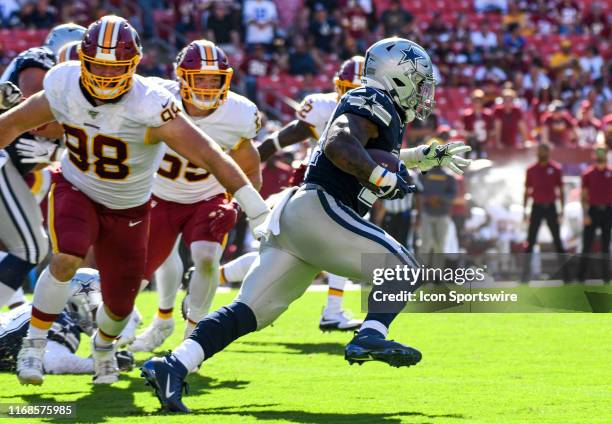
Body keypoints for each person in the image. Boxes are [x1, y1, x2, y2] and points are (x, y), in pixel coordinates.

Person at [140, 37, 471, 413]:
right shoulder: (372, 99)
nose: (424, 92)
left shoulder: (380, 111)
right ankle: (371, 335)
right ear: (397, 76)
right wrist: (382, 177)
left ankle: (173, 365)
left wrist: (420, 158)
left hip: (300, 220)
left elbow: (366, 150)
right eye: (420, 81)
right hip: (320, 209)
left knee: (250, 312)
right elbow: (340, 143)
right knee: (403, 268)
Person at [3, 15, 269, 387]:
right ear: (82, 59)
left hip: (131, 205)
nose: (106, 75)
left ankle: (104, 346)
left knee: (120, 305)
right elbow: (13, 123)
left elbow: (210, 155)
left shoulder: (150, 103)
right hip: (77, 186)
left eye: (116, 67)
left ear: (134, 65)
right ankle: (34, 343)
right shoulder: (63, 83)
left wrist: (256, 209)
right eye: (97, 65)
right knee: (66, 256)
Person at [129, 40, 263, 352]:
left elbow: (249, 163)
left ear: (225, 80)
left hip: (208, 194)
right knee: (142, 267)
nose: (206, 85)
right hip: (158, 194)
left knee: (206, 257)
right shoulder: (157, 97)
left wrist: (243, 204)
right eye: (199, 77)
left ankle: (193, 338)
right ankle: (149, 324)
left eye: (214, 79)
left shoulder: (239, 113)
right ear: (181, 77)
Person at [229, 56, 366, 331]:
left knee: (292, 257)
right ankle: (333, 311)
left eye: (358, 90)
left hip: (346, 186)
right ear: (338, 87)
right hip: (316, 184)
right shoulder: (323, 107)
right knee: (328, 247)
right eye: (347, 89)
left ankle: (333, 311)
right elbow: (278, 140)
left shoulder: (380, 116)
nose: (351, 96)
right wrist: (247, 171)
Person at [0, 23, 85, 309]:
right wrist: (58, 142)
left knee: (24, 245)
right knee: (30, 246)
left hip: (14, 167)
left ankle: (16, 314)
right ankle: (17, 314)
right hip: (4, 161)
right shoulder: (40, 61)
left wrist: (55, 148)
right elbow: (34, 112)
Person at [0, 268, 134, 374]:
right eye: (96, 310)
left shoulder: (45, 308)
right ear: (79, 303)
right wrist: (104, 364)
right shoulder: (62, 320)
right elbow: (56, 362)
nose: (100, 316)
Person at [521, 143, 567, 282]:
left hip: (551, 207)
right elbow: (527, 191)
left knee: (557, 240)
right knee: (531, 240)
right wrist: (525, 210)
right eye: (539, 151)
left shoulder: (555, 168)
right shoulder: (531, 169)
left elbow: (561, 190)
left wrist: (561, 210)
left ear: (548, 152)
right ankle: (525, 276)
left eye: (544, 151)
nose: (541, 153)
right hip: (536, 207)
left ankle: (566, 276)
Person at [577, 145, 611, 283]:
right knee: (587, 245)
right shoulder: (588, 174)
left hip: (608, 211)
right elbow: (584, 196)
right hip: (593, 211)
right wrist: (585, 214)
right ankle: (580, 278)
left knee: (605, 246)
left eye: (602, 152)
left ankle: (606, 278)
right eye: (598, 153)